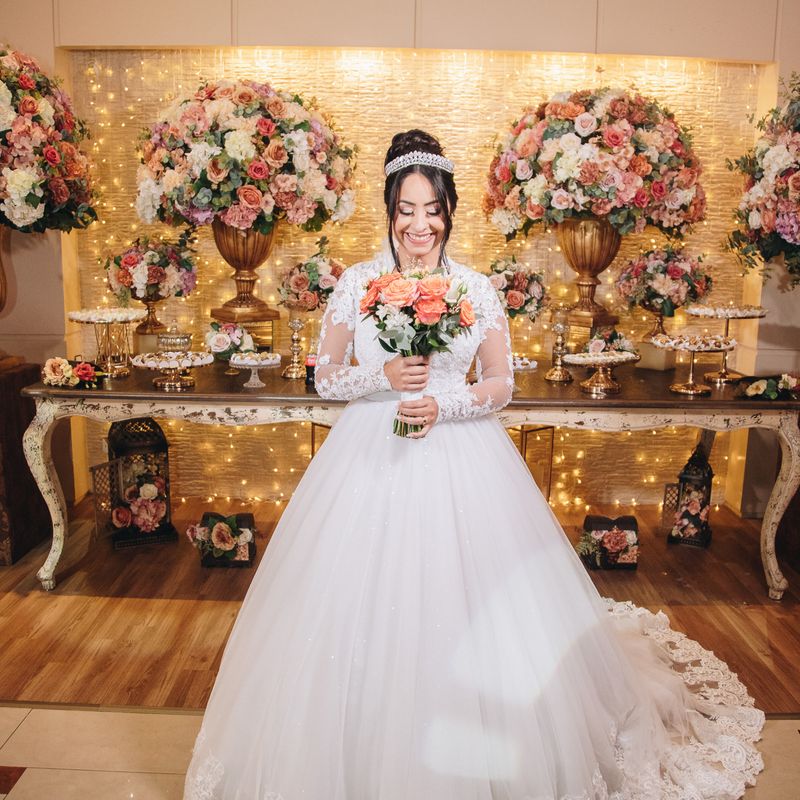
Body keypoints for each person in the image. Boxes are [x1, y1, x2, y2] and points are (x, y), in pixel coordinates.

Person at [184, 130, 763, 799]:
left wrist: (445, 402)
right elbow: (325, 377)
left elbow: (499, 385)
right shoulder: (357, 282)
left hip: (463, 459)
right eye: (406, 208)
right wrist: (382, 375)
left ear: (450, 211)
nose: (419, 224)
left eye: (431, 209)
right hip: (369, 456)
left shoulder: (476, 288)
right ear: (389, 209)